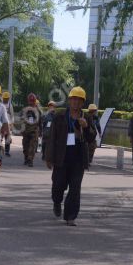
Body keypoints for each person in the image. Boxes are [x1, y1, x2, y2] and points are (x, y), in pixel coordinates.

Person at [45, 87, 95, 226]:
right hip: (62, 158)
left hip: (78, 159)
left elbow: (92, 138)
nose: (75, 102)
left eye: (79, 100)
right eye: (73, 99)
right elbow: (51, 138)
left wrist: (86, 127)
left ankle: (70, 216)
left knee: (75, 189)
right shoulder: (60, 117)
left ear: (82, 103)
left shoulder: (87, 118)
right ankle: (56, 201)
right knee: (58, 185)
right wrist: (49, 158)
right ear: (69, 101)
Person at [20, 93, 42, 167]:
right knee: (25, 146)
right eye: (30, 101)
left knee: (32, 147)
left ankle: (30, 160)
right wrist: (22, 129)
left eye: (32, 101)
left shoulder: (38, 110)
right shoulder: (24, 110)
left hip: (34, 131)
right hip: (26, 131)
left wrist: (40, 131)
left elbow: (41, 121)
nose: (31, 102)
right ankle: (26, 158)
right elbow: (21, 120)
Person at [1, 91, 13, 156]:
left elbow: (12, 116)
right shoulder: (0, 105)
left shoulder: (10, 106)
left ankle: (7, 151)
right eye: (4, 98)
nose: (5, 99)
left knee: (7, 138)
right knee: (0, 137)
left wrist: (11, 125)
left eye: (6, 98)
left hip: (8, 124)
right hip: (1, 124)